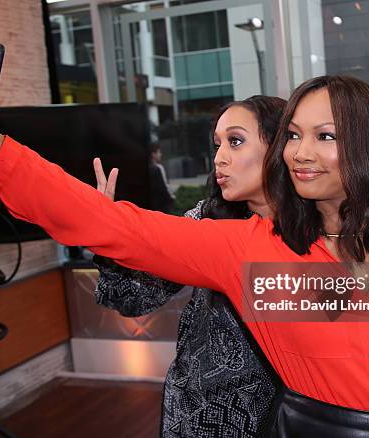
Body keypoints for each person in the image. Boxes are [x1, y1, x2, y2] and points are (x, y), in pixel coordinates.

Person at [0, 42, 369, 437]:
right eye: (294, 135)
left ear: (368, 146)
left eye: (325, 137)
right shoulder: (248, 245)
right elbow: (115, 227)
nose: (299, 153)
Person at [92, 95, 286, 437]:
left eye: (236, 141)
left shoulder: (321, 232)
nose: (219, 158)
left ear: (279, 147)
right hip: (198, 415)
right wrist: (106, 233)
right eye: (217, 144)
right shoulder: (205, 219)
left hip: (289, 415)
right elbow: (131, 298)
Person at [147, 143, 175, 213]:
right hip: (161, 206)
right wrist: (170, 198)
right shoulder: (157, 168)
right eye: (159, 152)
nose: (161, 154)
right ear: (153, 154)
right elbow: (163, 187)